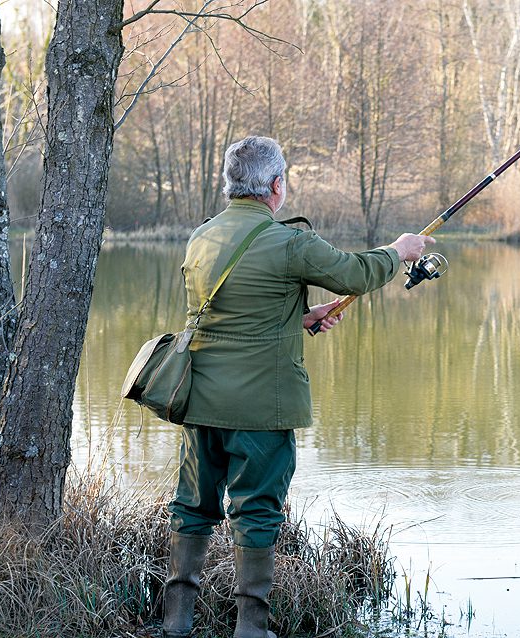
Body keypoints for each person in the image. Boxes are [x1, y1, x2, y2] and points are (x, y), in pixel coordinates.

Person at [161, 136, 434, 638]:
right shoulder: (290, 243)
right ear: (275, 186)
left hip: (199, 400)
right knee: (258, 512)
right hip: (262, 407)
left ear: (230, 185)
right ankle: (251, 628)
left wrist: (299, 317)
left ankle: (176, 622)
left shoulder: (201, 237)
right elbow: (354, 273)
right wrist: (399, 251)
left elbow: (230, 316)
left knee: (193, 505)